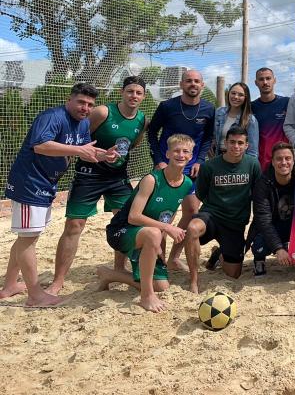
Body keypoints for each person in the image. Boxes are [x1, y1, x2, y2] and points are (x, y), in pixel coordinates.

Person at [1, 83, 111, 307]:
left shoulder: (81, 124)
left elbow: (83, 150)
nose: (85, 107)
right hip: (29, 183)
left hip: (45, 184)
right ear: (69, 100)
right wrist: (81, 150)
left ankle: (10, 285)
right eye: (81, 102)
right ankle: (35, 295)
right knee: (28, 239)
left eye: (90, 104)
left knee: (28, 236)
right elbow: (41, 145)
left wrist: (102, 155)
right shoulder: (53, 116)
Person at [48, 76, 148, 296]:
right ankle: (58, 281)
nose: (134, 96)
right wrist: (97, 154)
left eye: (138, 93)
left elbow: (133, 143)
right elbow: (78, 137)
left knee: (124, 221)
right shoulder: (103, 112)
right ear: (122, 92)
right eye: (130, 91)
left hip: (118, 177)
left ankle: (119, 269)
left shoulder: (142, 119)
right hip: (89, 175)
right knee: (74, 225)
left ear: (143, 97)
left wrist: (113, 156)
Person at [101, 134, 194, 312]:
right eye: (176, 151)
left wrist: (161, 243)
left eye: (185, 151)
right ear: (167, 154)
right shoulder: (152, 179)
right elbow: (133, 217)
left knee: (162, 286)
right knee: (153, 233)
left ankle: (111, 275)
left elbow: (168, 216)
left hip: (148, 235)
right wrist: (166, 229)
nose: (180, 155)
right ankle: (146, 296)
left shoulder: (186, 183)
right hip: (121, 231)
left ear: (190, 156)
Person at [147, 69, 214, 271]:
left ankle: (174, 258)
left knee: (192, 211)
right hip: (167, 167)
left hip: (192, 169)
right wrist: (159, 160)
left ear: (202, 85)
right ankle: (159, 260)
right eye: (188, 81)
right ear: (181, 84)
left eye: (196, 81)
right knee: (163, 215)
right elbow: (151, 132)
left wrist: (200, 160)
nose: (192, 84)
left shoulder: (209, 109)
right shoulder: (167, 106)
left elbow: (209, 137)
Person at [184, 126, 261, 293]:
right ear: (225, 143)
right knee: (192, 228)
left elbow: (258, 194)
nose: (236, 146)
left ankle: (219, 253)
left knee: (233, 274)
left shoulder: (253, 165)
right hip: (212, 216)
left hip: (235, 223)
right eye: (232, 142)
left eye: (240, 143)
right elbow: (201, 195)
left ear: (247, 145)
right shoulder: (210, 166)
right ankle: (194, 280)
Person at [247, 143, 295, 276]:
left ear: (294, 161)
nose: (284, 162)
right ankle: (259, 260)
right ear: (272, 162)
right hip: (272, 224)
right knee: (260, 243)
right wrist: (279, 249)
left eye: (288, 158)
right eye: (279, 159)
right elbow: (264, 221)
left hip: (294, 225)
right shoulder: (262, 184)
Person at [251, 67, 290, 170]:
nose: (265, 82)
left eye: (268, 78)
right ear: (256, 82)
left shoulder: (287, 103)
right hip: (259, 163)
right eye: (261, 79)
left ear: (274, 80)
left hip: (282, 162)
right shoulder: (251, 107)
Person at [213, 81, 258, 158]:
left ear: (245, 98)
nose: (236, 97)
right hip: (219, 158)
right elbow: (213, 136)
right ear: (228, 94)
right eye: (233, 93)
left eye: (240, 95)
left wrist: (248, 167)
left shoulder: (250, 120)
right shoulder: (219, 112)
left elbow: (252, 151)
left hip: (238, 160)